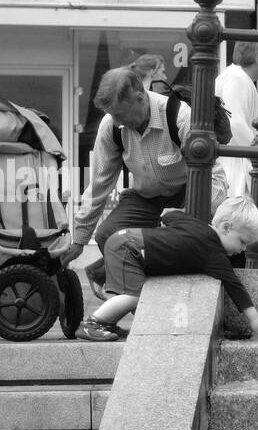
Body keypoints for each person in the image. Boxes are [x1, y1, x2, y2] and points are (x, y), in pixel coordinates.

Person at [62, 67, 228, 300]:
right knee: (107, 235)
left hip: (185, 194)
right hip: (145, 197)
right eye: (113, 116)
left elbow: (216, 177)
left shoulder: (180, 116)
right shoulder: (112, 126)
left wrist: (186, 215)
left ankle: (114, 278)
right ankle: (133, 290)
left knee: (177, 238)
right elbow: (99, 185)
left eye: (121, 114)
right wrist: (79, 240)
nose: (118, 122)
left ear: (140, 97)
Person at [77, 196, 258, 342]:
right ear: (225, 228)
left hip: (126, 239)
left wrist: (166, 232)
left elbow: (171, 216)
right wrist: (254, 318)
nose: (242, 249)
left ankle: (108, 322)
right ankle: (92, 323)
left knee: (135, 295)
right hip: (131, 248)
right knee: (135, 295)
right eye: (242, 242)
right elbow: (234, 286)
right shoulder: (214, 253)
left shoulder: (196, 225)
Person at [215, 41, 258, 200]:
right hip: (235, 171)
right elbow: (236, 125)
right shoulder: (237, 79)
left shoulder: (233, 76)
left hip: (231, 165)